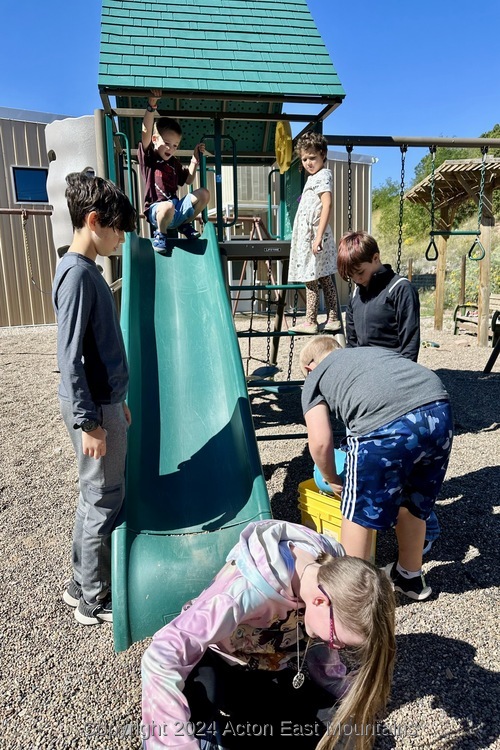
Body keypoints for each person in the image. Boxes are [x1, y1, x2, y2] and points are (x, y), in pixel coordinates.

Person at [141, 520, 396, 750]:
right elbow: (161, 656)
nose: (335, 646)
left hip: (267, 671)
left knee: (350, 736)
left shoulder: (335, 573)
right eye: (335, 638)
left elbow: (321, 644)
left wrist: (341, 689)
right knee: (190, 714)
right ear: (319, 601)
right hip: (215, 665)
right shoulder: (243, 591)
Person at [299, 336, 453, 601]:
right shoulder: (367, 355)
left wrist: (332, 479)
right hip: (439, 410)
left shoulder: (315, 377)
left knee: (357, 511)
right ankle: (410, 577)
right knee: (413, 503)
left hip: (384, 425)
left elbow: (321, 444)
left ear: (310, 367)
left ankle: (352, 598)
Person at [52, 171, 137, 625]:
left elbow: (94, 349)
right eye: (117, 227)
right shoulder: (78, 276)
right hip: (93, 408)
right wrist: (90, 421)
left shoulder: (82, 272)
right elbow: (70, 358)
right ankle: (94, 599)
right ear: (92, 221)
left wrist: (116, 398)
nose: (121, 237)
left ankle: (78, 584)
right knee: (105, 497)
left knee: (94, 495)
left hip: (104, 402)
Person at [336, 230, 439, 553]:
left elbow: (410, 345)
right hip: (366, 393)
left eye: (362, 273)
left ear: (376, 259)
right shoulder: (356, 296)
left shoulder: (400, 289)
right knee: (378, 469)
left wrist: (394, 390)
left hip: (397, 392)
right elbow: (353, 347)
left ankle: (427, 532)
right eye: (353, 278)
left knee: (407, 472)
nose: (360, 282)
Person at [139, 89, 210, 251]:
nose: (171, 148)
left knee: (204, 194)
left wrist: (194, 159)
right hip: (156, 210)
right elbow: (146, 132)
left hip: (175, 208)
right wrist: (151, 107)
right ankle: (161, 234)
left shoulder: (173, 163)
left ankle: (184, 225)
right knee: (167, 207)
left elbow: (189, 180)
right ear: (155, 140)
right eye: (167, 143)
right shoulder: (149, 157)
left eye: (175, 145)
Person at [288, 132, 342, 335]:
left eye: (312, 157)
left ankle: (313, 320)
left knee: (314, 278)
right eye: (304, 159)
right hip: (311, 236)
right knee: (320, 277)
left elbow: (327, 204)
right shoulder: (314, 178)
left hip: (315, 236)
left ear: (323, 154)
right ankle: (331, 318)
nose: (308, 162)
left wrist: (318, 236)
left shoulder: (322, 176)